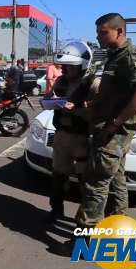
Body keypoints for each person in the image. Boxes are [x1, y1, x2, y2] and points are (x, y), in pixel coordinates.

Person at [73, 13, 136, 238]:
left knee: (94, 185)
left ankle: (85, 238)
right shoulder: (114, 56)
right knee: (117, 182)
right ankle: (119, 228)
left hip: (113, 132)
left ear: (120, 31)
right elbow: (115, 92)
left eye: (103, 32)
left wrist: (116, 122)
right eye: (97, 32)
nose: (98, 37)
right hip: (106, 129)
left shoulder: (131, 55)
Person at [45, 40, 96, 224]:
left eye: (70, 66)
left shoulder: (92, 83)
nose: (66, 69)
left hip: (82, 138)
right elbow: (50, 97)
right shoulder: (61, 80)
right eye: (65, 66)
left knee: (85, 181)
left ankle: (85, 219)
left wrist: (75, 110)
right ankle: (56, 210)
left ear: (82, 65)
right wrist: (52, 102)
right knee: (58, 176)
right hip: (62, 135)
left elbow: (97, 113)